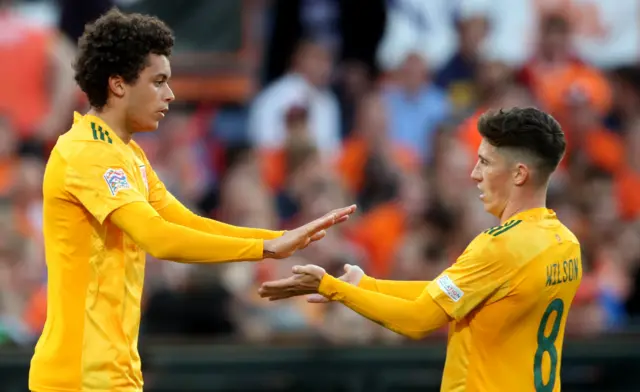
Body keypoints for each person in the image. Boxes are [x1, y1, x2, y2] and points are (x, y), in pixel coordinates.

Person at [28, 9, 356, 392]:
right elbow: (159, 237)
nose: (170, 94)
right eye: (158, 82)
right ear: (118, 85)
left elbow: (184, 221)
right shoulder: (87, 152)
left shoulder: (129, 154)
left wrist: (278, 237)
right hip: (77, 377)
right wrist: (265, 247)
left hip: (113, 374)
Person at [260, 107, 580, 392]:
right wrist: (368, 285)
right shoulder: (565, 243)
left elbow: (419, 319)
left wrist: (330, 287)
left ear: (519, 174)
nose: (475, 174)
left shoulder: (500, 246)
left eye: (485, 163)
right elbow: (447, 295)